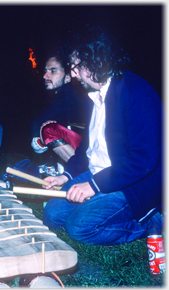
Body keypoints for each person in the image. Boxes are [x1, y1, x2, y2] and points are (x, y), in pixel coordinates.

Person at [42, 26, 163, 245]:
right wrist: (66, 176)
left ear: (96, 60)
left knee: (78, 228)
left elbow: (144, 160)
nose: (73, 73)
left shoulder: (136, 92)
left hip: (132, 184)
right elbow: (88, 148)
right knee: (52, 213)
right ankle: (96, 207)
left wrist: (94, 186)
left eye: (76, 66)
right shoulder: (92, 96)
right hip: (99, 175)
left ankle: (150, 222)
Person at [30, 53, 86, 165]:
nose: (45, 76)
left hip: (90, 153)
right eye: (46, 70)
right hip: (85, 149)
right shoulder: (64, 93)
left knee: (49, 129)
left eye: (53, 71)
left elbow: (35, 126)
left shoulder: (68, 95)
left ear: (68, 77)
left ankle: (79, 172)